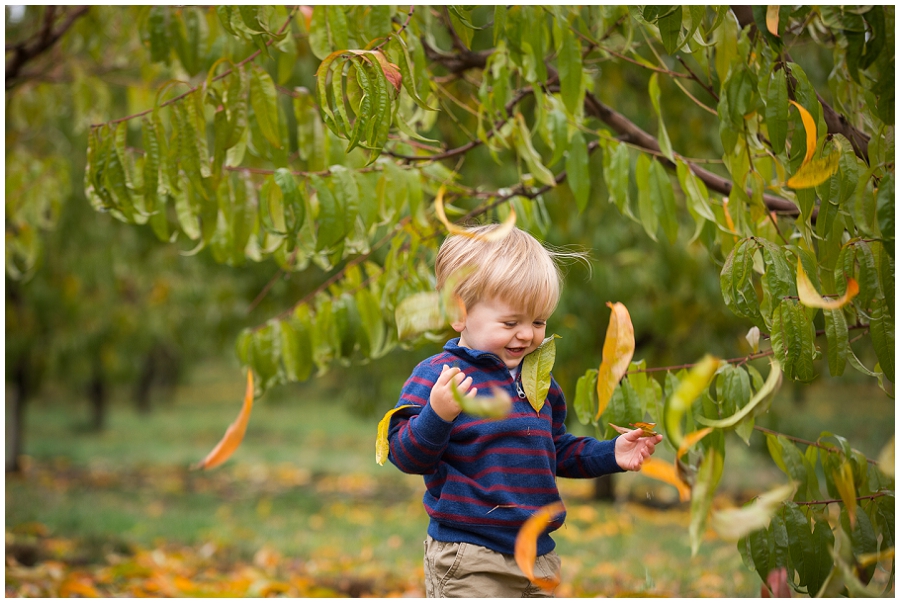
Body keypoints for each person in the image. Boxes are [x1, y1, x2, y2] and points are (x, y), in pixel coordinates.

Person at [387, 224, 663, 598]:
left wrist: (611, 452)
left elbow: (556, 451)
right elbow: (405, 454)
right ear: (458, 313)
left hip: (538, 557)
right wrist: (437, 413)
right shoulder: (440, 376)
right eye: (510, 322)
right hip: (470, 555)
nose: (526, 335)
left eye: (538, 322)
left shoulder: (538, 381)